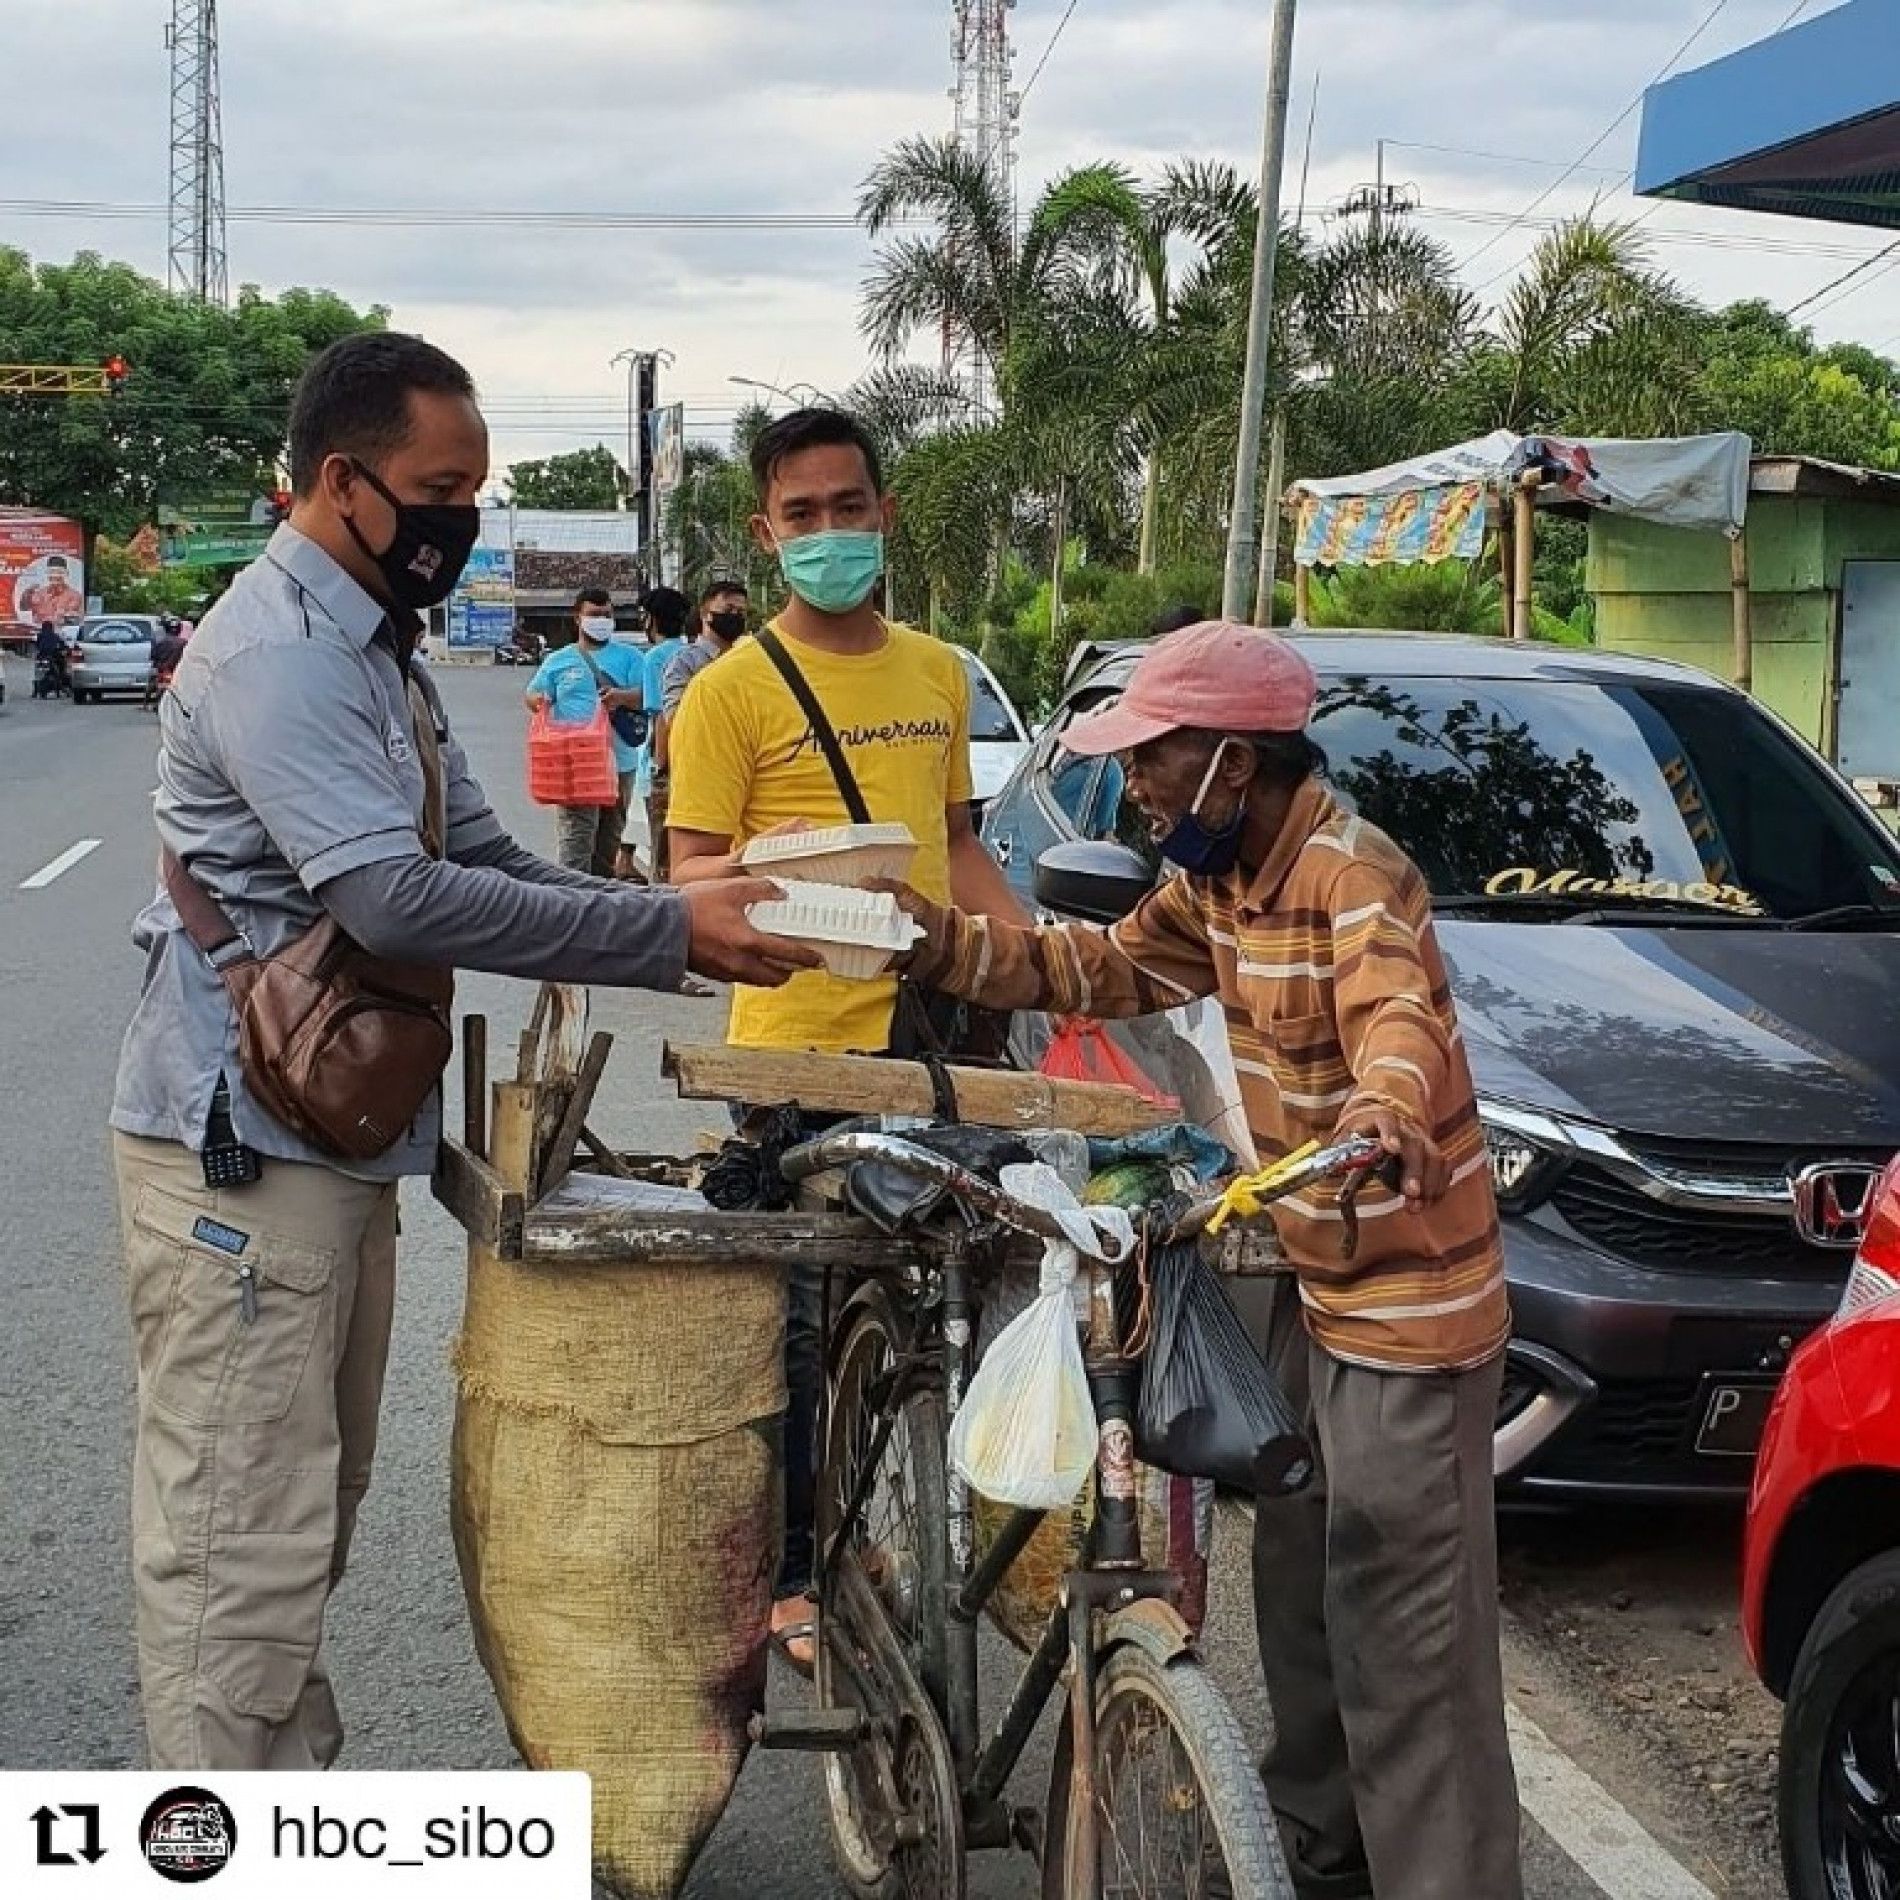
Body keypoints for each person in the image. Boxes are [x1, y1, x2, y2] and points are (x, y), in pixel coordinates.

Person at [109, 330, 815, 1774]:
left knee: (296, 1525)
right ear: (339, 483)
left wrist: (663, 913)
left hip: (323, 1146)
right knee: (236, 1554)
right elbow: (390, 896)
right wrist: (670, 938)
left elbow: (482, 856)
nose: (464, 522)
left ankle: (275, 1832)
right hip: (240, 1164)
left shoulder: (379, 648)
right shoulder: (284, 655)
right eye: (442, 489)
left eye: (477, 491)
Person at [881, 619, 1522, 1900]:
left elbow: (1394, 1011)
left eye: (1156, 763)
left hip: (1404, 1299)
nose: (1134, 791)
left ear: (1236, 762)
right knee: (1300, 1596)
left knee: (1405, 1632)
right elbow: (1101, 968)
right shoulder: (1216, 881)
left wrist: (1382, 1110)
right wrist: (943, 944)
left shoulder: (1352, 873)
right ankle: (1316, 1858)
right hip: (1297, 1269)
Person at [668, 406, 1026, 1674]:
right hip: (793, 1050)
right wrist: (823, 893)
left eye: (848, 506)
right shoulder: (727, 694)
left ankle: (899, 1513)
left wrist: (1029, 961)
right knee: (803, 1322)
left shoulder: (938, 670)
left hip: (930, 1036)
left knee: (935, 1299)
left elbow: (963, 844)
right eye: (801, 514)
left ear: (883, 513)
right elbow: (696, 876)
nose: (829, 531)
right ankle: (793, 1574)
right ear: (768, 536)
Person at [524, 586, 646, 878]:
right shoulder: (558, 661)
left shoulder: (631, 658)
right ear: (578, 618)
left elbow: (647, 696)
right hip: (576, 765)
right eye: (594, 614)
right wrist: (539, 701)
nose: (601, 620)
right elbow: (532, 695)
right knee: (576, 841)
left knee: (609, 838)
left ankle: (601, 900)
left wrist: (621, 697)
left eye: (607, 615)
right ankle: (573, 901)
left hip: (620, 763)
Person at [652, 577, 749, 870]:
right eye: (728, 609)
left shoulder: (750, 660)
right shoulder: (684, 662)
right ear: (706, 613)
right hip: (688, 778)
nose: (735, 618)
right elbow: (676, 719)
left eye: (741, 613)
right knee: (678, 872)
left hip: (737, 778)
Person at [632, 586, 692, 881]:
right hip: (691, 759)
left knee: (661, 853)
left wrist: (659, 766)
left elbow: (660, 716)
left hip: (665, 763)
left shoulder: (655, 657)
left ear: (652, 619)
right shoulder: (690, 651)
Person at [21, 554, 84, 629]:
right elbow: (24, 608)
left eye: (59, 572)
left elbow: (76, 620)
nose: (55, 575)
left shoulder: (75, 596)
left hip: (64, 636)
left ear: (66, 573)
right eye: (52, 572)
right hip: (41, 636)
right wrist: (26, 594)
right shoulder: (39, 594)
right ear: (47, 573)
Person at [32, 618, 69, 698]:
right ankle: (62, 685)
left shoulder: (40, 636)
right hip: (53, 658)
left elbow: (36, 645)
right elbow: (63, 645)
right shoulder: (55, 636)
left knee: (38, 673)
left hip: (42, 658)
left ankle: (35, 691)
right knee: (62, 669)